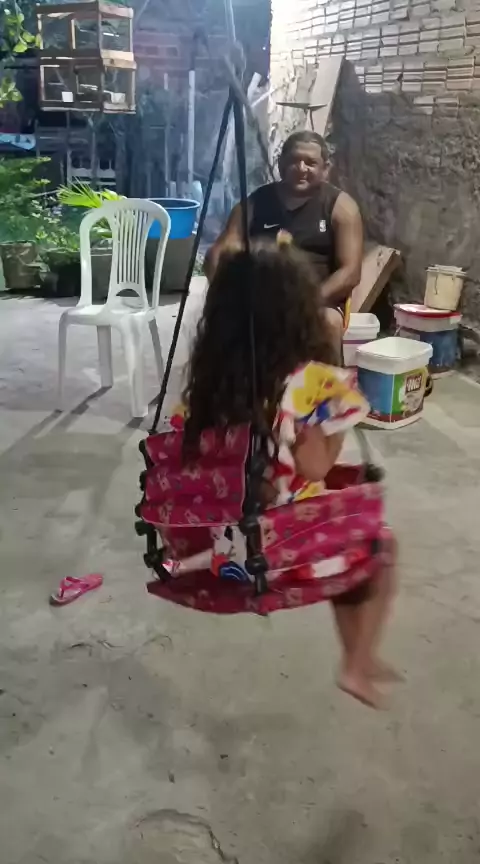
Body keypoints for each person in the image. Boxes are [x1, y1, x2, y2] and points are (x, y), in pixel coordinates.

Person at [180, 237, 397, 709]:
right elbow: (315, 466)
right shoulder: (307, 384)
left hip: (216, 543)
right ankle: (357, 661)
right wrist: (335, 410)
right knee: (378, 546)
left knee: (347, 532)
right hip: (275, 549)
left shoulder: (212, 386)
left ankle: (358, 661)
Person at [204, 130, 363, 363]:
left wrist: (307, 302)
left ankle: (328, 384)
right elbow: (219, 253)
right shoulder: (255, 203)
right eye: (294, 160)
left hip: (316, 301)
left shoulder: (341, 207)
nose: (301, 168)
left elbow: (350, 272)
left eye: (310, 163)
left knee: (329, 323)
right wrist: (231, 293)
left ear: (325, 168)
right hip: (260, 299)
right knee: (222, 321)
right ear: (280, 163)